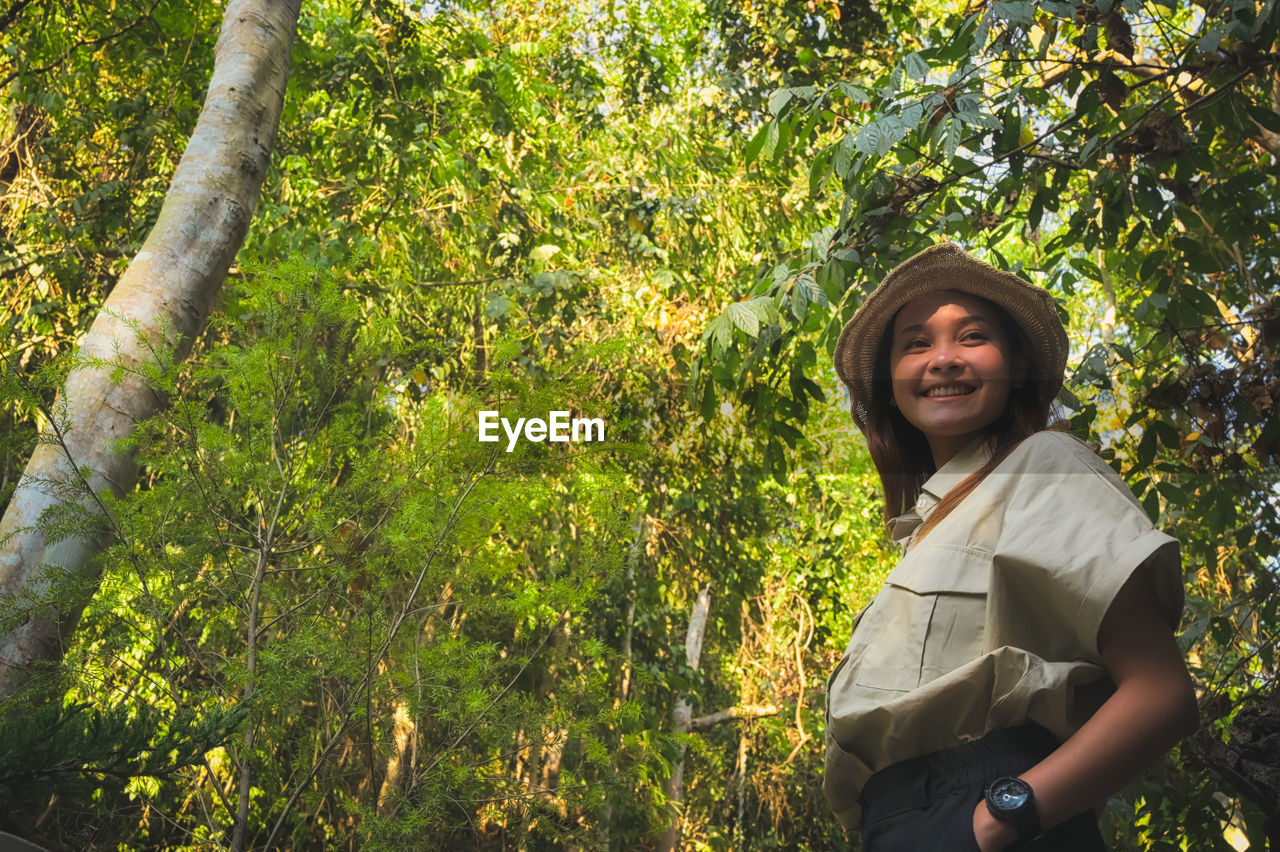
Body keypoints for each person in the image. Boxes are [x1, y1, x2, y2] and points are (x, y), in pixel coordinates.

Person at [822, 242, 1199, 851]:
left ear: (1013, 365)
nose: (943, 359)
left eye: (971, 337)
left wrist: (999, 820)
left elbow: (1162, 694)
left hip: (988, 808)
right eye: (916, 343)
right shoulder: (926, 531)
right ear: (890, 385)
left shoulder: (1045, 467)